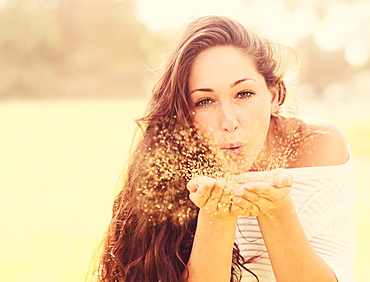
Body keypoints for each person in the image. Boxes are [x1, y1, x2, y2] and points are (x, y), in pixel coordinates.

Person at [92, 16, 357, 282]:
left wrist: (277, 213)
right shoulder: (172, 164)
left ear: (273, 95)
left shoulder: (317, 145)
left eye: (244, 94)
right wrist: (216, 218)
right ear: (185, 113)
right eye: (205, 101)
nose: (229, 122)